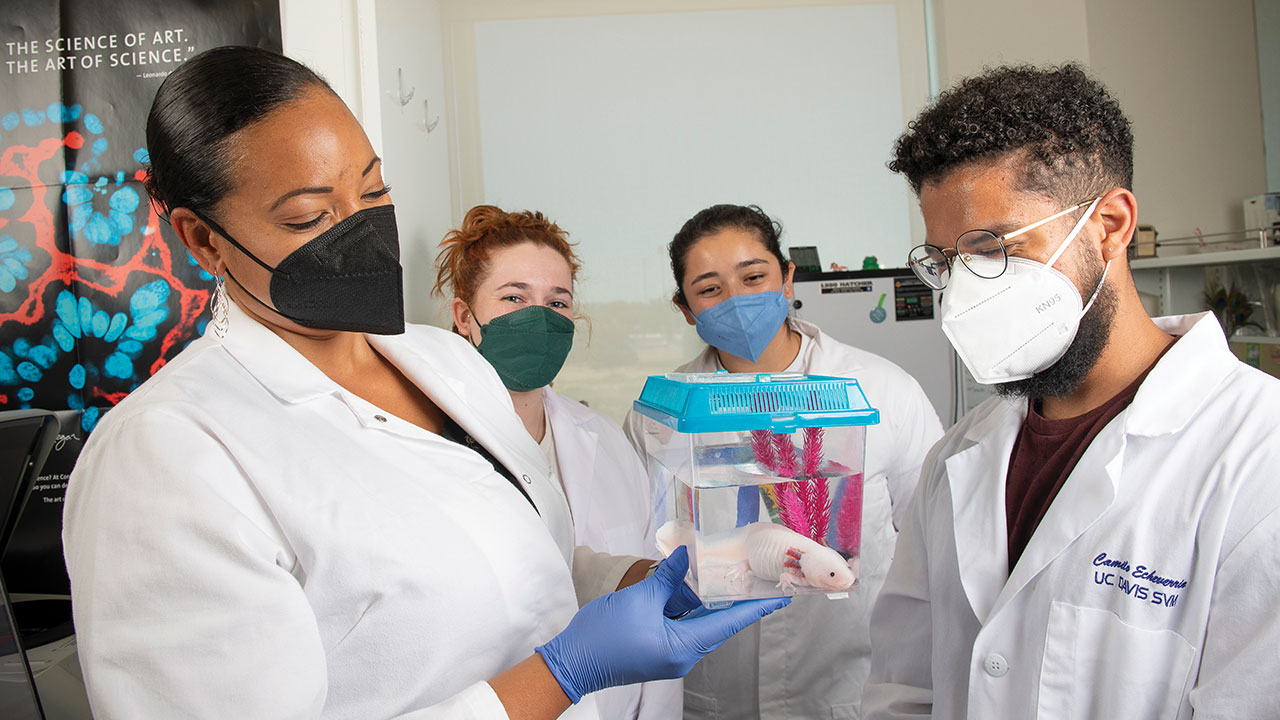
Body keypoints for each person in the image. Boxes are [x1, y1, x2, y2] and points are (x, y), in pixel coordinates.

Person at [60, 46, 789, 720]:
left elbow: (512, 560)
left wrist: (639, 584)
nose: (360, 227)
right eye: (312, 215)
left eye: (373, 189)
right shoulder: (165, 457)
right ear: (202, 237)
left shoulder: (446, 363)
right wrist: (562, 673)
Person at [862, 63, 1280, 719]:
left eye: (992, 246)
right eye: (946, 261)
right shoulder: (956, 458)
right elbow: (905, 689)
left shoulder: (1259, 458)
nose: (963, 291)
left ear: (1109, 224)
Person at [626, 204, 943, 718]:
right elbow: (641, 546)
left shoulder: (885, 391)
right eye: (710, 290)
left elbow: (935, 546)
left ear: (788, 277)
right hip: (716, 690)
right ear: (685, 308)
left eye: (754, 277)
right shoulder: (663, 412)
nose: (738, 300)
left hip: (851, 688)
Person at [434, 204, 681, 719]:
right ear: (464, 317)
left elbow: (650, 610)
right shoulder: (428, 444)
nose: (539, 317)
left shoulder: (606, 441)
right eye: (514, 297)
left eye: (557, 301)